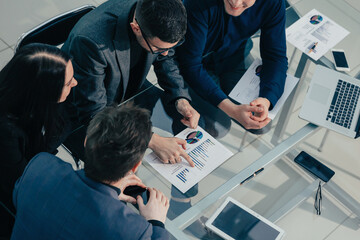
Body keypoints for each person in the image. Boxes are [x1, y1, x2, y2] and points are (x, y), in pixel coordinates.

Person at [61, 0, 199, 166]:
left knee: (194, 126)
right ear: (136, 28)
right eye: (159, 48)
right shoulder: (90, 42)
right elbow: (94, 112)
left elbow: (166, 56)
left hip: (131, 86)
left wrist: (180, 98)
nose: (165, 52)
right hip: (85, 112)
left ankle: (186, 182)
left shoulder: (158, 14)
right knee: (124, 171)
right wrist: (151, 139)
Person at [11, 105, 170, 239]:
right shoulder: (133, 230)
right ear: (135, 166)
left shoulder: (40, 165)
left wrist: (109, 195)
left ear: (86, 141)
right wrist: (156, 223)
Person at [0, 43, 77, 238]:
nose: (75, 83)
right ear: (44, 91)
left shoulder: (35, 101)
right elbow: (24, 183)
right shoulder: (6, 132)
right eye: (68, 83)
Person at [176, 0, 288, 132]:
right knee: (216, 128)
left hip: (234, 58)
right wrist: (231, 110)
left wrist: (266, 99)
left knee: (259, 123)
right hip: (192, 66)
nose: (236, 2)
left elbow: (275, 57)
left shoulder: (273, 3)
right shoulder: (197, 3)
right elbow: (190, 65)